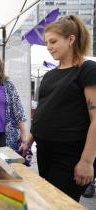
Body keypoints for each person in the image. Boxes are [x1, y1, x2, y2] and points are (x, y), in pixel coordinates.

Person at [22, 15, 96, 202]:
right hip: (45, 152)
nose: (49, 47)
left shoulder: (87, 69)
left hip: (69, 155)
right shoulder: (49, 76)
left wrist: (87, 161)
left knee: (60, 204)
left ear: (71, 39)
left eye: (53, 41)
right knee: (47, 202)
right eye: (47, 42)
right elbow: (44, 111)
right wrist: (29, 141)